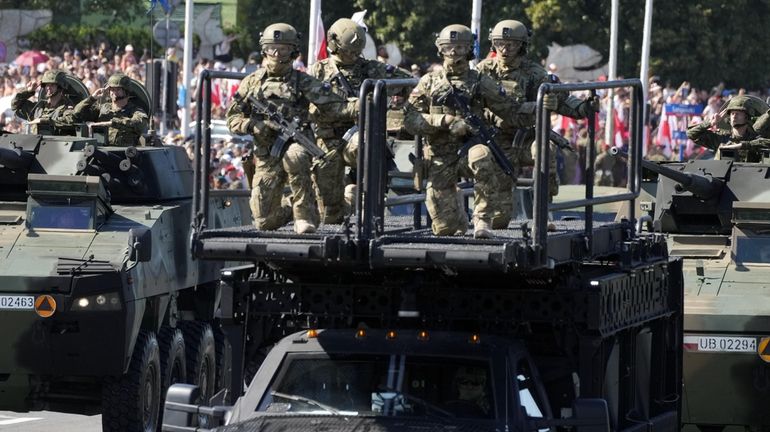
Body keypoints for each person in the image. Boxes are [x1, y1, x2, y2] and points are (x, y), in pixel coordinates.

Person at [225, 23, 357, 234]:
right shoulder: (252, 83)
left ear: (293, 51)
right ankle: (296, 206)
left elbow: (334, 103)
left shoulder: (302, 81)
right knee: (263, 221)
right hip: (266, 153)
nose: (277, 54)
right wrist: (252, 125)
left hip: (297, 143)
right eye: (272, 48)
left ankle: (304, 216)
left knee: (295, 156)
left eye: (283, 48)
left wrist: (360, 105)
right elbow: (232, 117)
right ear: (264, 49)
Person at [403, 24, 524, 238]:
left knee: (482, 155)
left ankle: (482, 220)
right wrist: (445, 121)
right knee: (445, 229)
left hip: (469, 149)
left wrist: (541, 107)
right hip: (440, 156)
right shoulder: (429, 82)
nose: (454, 52)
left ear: (470, 50)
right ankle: (458, 214)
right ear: (440, 49)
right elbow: (411, 119)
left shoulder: (479, 81)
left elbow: (510, 110)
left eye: (460, 47)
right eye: (449, 47)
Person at [476, 20, 598, 225]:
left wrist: (584, 108)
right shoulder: (483, 71)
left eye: (511, 44)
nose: (504, 49)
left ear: (522, 45)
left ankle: (543, 210)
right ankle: (483, 219)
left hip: (526, 138)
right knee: (500, 220)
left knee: (544, 151)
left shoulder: (533, 72)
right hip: (496, 141)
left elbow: (562, 100)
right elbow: (471, 102)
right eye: (499, 43)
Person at [309, 18, 412, 223]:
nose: (352, 56)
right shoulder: (318, 71)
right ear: (333, 44)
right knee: (330, 213)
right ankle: (349, 198)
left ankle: (367, 202)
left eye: (356, 52)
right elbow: (309, 107)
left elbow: (407, 81)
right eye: (348, 51)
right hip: (326, 140)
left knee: (368, 145)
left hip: (360, 135)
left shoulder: (371, 68)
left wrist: (397, 99)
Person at [61, 73, 149, 147]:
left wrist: (111, 123)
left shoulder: (135, 111)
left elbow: (140, 123)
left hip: (123, 155)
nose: (114, 92)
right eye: (112, 89)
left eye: (118, 89)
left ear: (126, 91)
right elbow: (76, 113)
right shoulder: (103, 108)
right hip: (100, 151)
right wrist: (92, 98)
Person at [687, 95, 770, 162]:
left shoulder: (755, 138)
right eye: (732, 113)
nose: (734, 116)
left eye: (738, 113)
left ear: (747, 117)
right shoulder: (720, 137)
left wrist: (744, 145)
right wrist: (710, 123)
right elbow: (691, 134)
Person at [11, 70, 80, 135]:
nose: (48, 88)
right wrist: (28, 91)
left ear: (59, 87)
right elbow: (14, 105)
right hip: (36, 144)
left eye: (52, 85)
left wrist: (45, 121)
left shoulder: (67, 107)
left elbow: (70, 120)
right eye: (47, 85)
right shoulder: (38, 107)